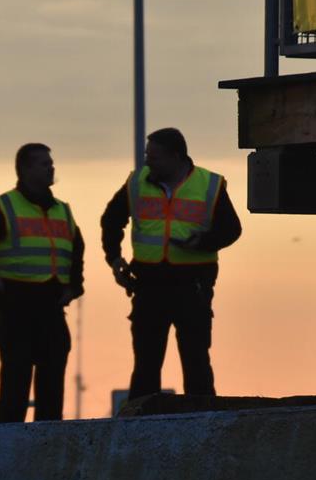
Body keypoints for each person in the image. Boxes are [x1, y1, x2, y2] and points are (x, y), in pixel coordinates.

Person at [101, 127, 241, 400]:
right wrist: (114, 258)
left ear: (176, 156)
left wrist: (202, 242)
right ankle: (140, 427)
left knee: (196, 361)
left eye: (154, 157)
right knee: (146, 366)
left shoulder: (209, 185)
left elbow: (231, 229)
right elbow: (112, 219)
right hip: (149, 284)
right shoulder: (137, 182)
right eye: (146, 156)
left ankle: (202, 422)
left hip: (192, 285)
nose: (147, 163)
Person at [0, 143, 85, 423]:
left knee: (52, 382)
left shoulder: (62, 211)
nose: (51, 167)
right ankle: (9, 445)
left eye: (50, 163)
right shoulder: (3, 207)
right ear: (25, 169)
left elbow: (76, 250)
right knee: (15, 381)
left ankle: (49, 443)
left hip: (52, 305)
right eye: (43, 163)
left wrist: (73, 286)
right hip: (17, 305)